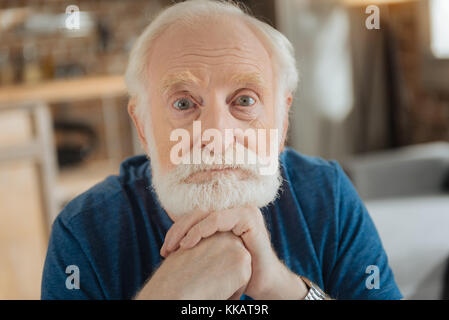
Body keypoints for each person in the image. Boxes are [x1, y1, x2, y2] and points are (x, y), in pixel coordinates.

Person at [41, 0, 402, 300]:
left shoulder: (328, 196)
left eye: (244, 100)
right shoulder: (81, 233)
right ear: (143, 127)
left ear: (282, 124)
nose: (216, 134)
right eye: (183, 104)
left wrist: (281, 286)